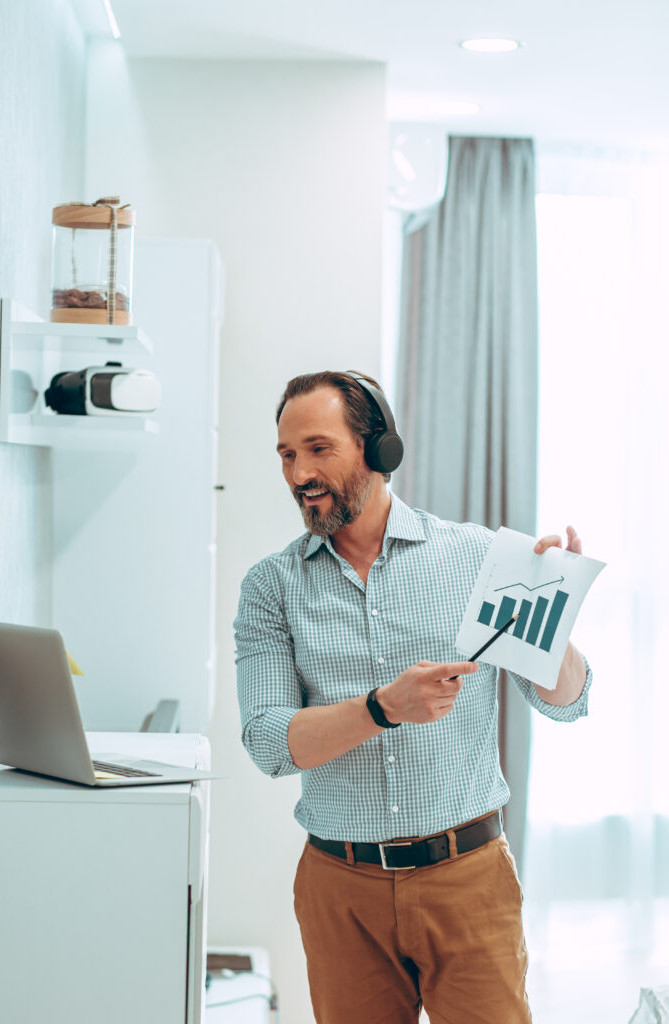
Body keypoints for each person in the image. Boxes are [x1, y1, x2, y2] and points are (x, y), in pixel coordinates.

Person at [234, 370, 591, 1024]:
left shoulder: (476, 556)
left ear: (378, 452)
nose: (298, 473)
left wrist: (553, 612)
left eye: (318, 448)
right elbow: (267, 742)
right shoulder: (270, 588)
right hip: (338, 890)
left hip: (469, 880)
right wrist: (381, 709)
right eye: (286, 454)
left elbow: (562, 700)